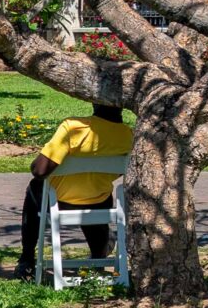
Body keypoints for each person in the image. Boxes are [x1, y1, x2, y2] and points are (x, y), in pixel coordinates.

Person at [17, 102, 133, 279]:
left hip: (59, 203)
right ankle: (98, 254)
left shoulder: (73, 128)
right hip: (98, 202)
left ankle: (26, 259)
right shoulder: (127, 135)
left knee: (34, 187)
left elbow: (39, 171)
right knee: (96, 192)